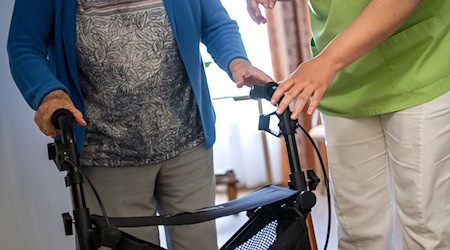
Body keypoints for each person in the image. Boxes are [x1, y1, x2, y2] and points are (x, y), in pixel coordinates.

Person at [7, 0, 273, 249]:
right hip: (105, 152)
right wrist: (49, 94)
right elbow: (24, 45)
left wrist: (236, 60)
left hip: (187, 140)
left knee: (199, 243)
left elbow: (214, 23)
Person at [247, 0, 450, 249]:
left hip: (417, 60)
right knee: (358, 231)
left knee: (425, 227)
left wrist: (329, 61)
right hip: (344, 78)